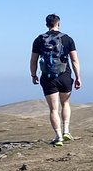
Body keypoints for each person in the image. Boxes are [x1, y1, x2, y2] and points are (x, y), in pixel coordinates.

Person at [30, 14, 82, 147]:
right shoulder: (67, 39)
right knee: (65, 104)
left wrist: (33, 75)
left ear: (46, 24)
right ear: (59, 23)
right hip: (64, 75)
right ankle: (66, 131)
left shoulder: (39, 40)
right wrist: (78, 77)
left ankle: (58, 137)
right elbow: (75, 60)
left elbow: (33, 60)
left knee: (53, 109)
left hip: (48, 77)